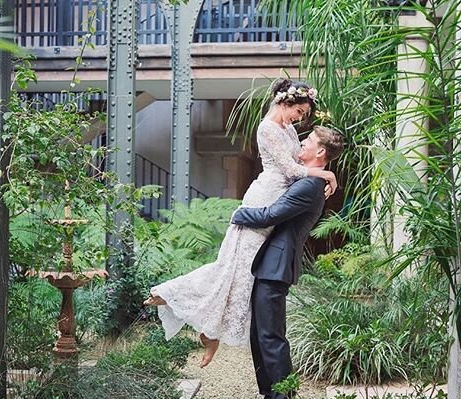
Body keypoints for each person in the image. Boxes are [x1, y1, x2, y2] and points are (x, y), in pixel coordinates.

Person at [144, 79, 337, 368]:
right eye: (298, 112)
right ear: (284, 104)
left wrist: (321, 171)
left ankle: (209, 331)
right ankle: (172, 295)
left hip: (277, 197)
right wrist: (326, 175)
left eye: (303, 115)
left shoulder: (288, 130)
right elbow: (289, 168)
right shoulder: (267, 128)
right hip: (264, 197)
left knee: (243, 275)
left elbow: (299, 164)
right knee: (233, 266)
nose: (300, 119)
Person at [232, 125, 344, 399]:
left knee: (272, 338)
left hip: (277, 265)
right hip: (269, 263)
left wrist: (238, 213)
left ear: (320, 152)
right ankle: (271, 396)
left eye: (308, 141)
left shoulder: (308, 187)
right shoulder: (309, 179)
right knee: (260, 334)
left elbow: (270, 214)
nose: (302, 143)